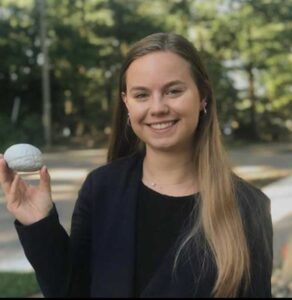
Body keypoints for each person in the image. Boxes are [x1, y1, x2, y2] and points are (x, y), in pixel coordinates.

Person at [0, 32, 273, 298]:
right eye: (141, 95)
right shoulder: (102, 188)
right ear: (126, 103)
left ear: (202, 96)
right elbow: (72, 290)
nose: (157, 108)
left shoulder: (248, 208)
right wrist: (39, 224)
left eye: (173, 91)